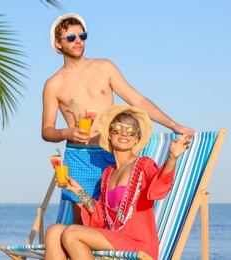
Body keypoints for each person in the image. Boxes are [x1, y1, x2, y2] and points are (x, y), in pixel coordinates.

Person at [42, 13, 193, 224]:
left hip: (113, 152)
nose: (78, 41)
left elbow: (138, 100)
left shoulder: (104, 67)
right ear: (59, 43)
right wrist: (67, 132)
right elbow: (46, 131)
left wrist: (174, 125)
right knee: (83, 222)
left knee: (117, 217)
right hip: (80, 156)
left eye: (82, 35)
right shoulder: (53, 84)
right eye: (71, 37)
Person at [44, 104, 194, 260]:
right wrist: (77, 190)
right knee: (54, 231)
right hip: (113, 237)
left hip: (137, 243)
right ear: (109, 134)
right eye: (117, 129)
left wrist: (172, 157)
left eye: (131, 131)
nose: (124, 134)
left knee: (72, 233)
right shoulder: (108, 173)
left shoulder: (144, 165)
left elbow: (158, 189)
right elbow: (102, 217)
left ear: (137, 139)